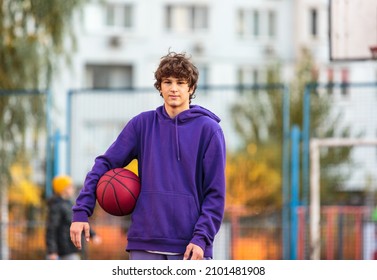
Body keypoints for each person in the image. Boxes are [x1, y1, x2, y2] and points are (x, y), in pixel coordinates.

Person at [70, 51, 226, 260]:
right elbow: (105, 163)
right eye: (167, 82)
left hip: (190, 247)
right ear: (159, 87)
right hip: (144, 243)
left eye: (180, 82)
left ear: (191, 87)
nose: (173, 88)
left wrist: (202, 238)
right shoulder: (142, 125)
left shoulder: (209, 130)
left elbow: (215, 193)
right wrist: (82, 210)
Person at [46, 175, 101, 260]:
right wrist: (52, 251)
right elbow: (51, 229)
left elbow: (78, 222)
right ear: (63, 189)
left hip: (71, 248)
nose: (73, 188)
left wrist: (92, 235)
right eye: (70, 186)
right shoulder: (56, 206)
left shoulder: (69, 204)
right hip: (64, 249)